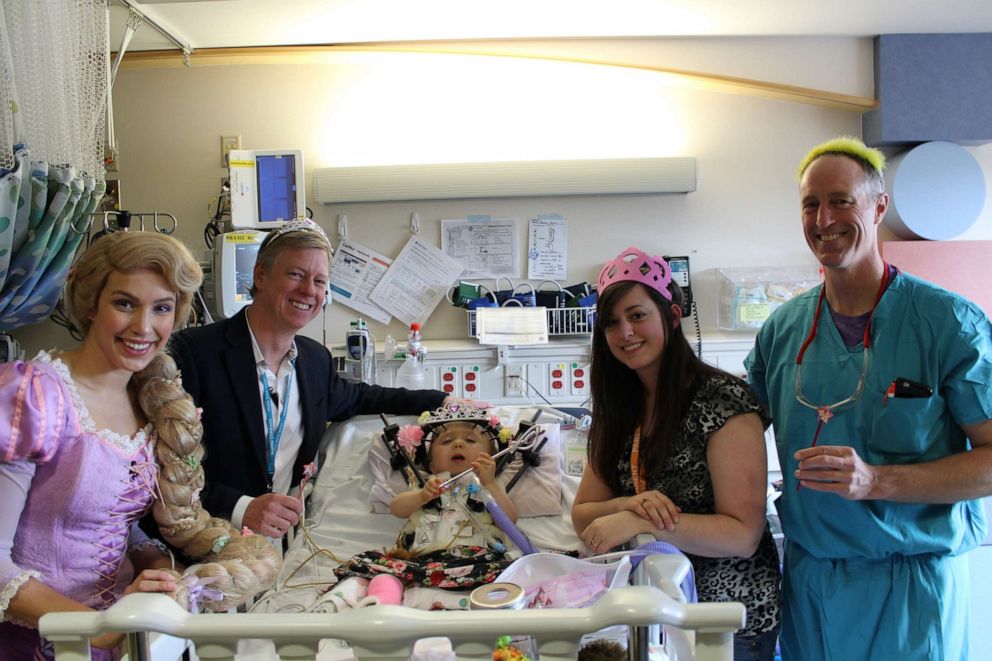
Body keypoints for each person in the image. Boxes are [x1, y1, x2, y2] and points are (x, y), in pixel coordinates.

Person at [745, 136, 992, 660]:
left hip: (912, 582)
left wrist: (877, 480)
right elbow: (735, 432)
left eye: (841, 200)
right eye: (810, 204)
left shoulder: (948, 323)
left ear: (879, 207)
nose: (823, 218)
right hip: (813, 586)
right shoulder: (784, 330)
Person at [0, 232, 280, 660]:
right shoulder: (34, 395)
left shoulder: (145, 402)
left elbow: (110, 521)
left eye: (162, 308)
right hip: (49, 641)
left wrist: (158, 568)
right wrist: (101, 629)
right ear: (91, 302)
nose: (143, 327)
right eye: (125, 303)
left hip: (132, 633)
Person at [169, 219, 455, 539]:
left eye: (320, 281)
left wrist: (442, 400)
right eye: (296, 275)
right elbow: (167, 468)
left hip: (283, 538)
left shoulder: (314, 361)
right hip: (207, 534)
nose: (309, 291)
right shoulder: (194, 354)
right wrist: (240, 506)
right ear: (260, 275)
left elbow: (362, 397)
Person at [572, 246, 782, 661]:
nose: (625, 333)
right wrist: (629, 502)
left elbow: (742, 535)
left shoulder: (724, 402)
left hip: (724, 622)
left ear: (671, 315)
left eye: (637, 315)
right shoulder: (620, 407)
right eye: (612, 322)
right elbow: (583, 514)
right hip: (651, 613)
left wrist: (637, 519)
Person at [331, 403, 518, 596]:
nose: (458, 444)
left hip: (477, 563)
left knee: (514, 571)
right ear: (431, 463)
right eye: (446, 442)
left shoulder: (489, 486)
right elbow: (397, 509)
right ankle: (381, 601)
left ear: (491, 457)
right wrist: (421, 496)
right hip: (423, 565)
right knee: (374, 568)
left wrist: (490, 484)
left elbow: (509, 521)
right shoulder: (426, 485)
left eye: (470, 440)